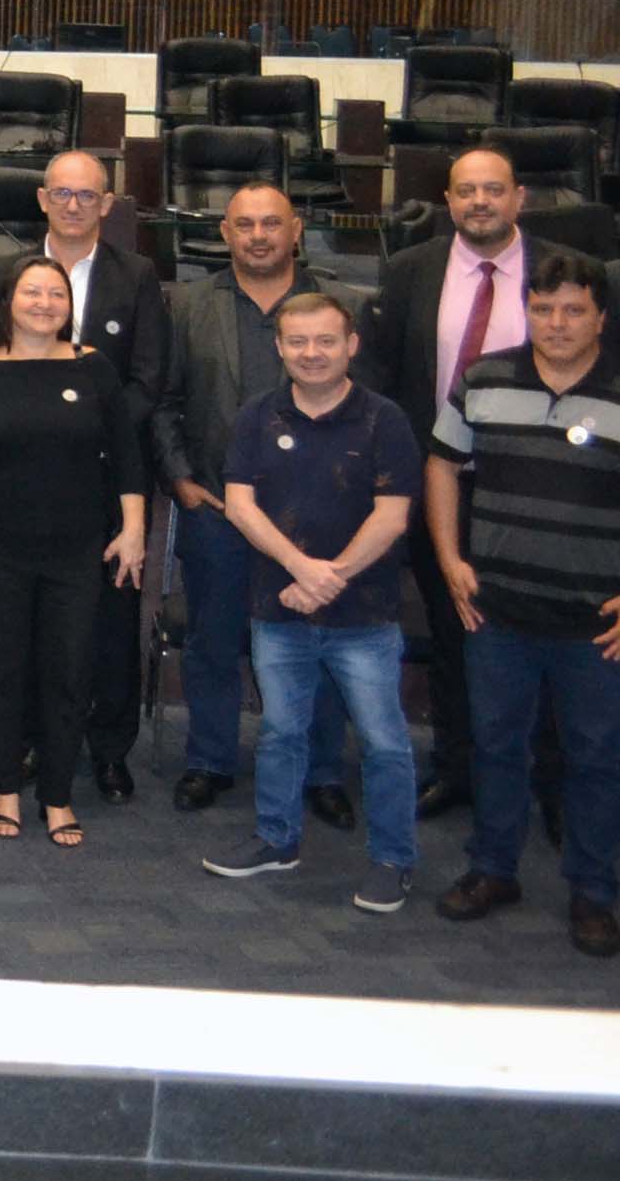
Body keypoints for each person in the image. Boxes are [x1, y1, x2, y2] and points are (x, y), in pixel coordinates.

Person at [200, 290, 424, 914]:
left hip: (365, 613)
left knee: (383, 742)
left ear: (351, 345)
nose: (312, 353)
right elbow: (240, 505)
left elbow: (394, 514)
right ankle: (277, 838)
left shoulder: (385, 419)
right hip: (279, 606)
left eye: (326, 340)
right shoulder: (256, 416)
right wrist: (301, 569)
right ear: (279, 348)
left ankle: (392, 860)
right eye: (297, 341)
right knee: (279, 732)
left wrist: (333, 576)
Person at [422, 250, 620, 957]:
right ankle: (492, 869)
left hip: (595, 623)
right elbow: (443, 462)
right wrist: (449, 560)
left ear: (601, 316)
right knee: (496, 747)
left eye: (573, 309)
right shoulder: (485, 377)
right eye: (543, 308)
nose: (557, 322)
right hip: (497, 611)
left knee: (598, 759)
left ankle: (595, 892)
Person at [154, 182, 361, 820]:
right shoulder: (189, 303)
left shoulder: (337, 303)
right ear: (225, 234)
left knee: (315, 642)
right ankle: (210, 759)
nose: (259, 236)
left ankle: (322, 770)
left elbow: (364, 409)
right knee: (214, 641)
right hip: (216, 507)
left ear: (296, 230)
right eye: (244, 225)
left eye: (272, 223)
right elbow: (164, 401)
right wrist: (181, 479)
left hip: (315, 517)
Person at [0, 253, 149, 850]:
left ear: (69, 306)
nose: (44, 304)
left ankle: (57, 795)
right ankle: (4, 787)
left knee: (69, 670)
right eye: (32, 293)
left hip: (78, 550)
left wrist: (132, 531)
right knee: (2, 671)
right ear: (8, 302)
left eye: (56, 295)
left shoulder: (94, 369)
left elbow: (127, 457)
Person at [359, 145, 531, 821]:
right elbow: (383, 377)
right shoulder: (409, 270)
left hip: (533, 488)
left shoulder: (556, 272)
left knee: (536, 632)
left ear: (519, 198)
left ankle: (536, 776)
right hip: (441, 484)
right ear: (448, 201)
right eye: (465, 191)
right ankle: (458, 766)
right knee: (454, 627)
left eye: (493, 189)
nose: (479, 202)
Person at [16, 149, 172, 807]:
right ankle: (29, 740)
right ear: (42, 200)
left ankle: (109, 750)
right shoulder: (11, 271)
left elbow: (148, 379)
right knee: (29, 616)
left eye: (88, 195)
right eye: (63, 193)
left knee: (111, 620)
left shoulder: (137, 276)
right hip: (26, 477)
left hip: (110, 477)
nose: (75, 205)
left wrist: (91, 433)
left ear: (107, 205)